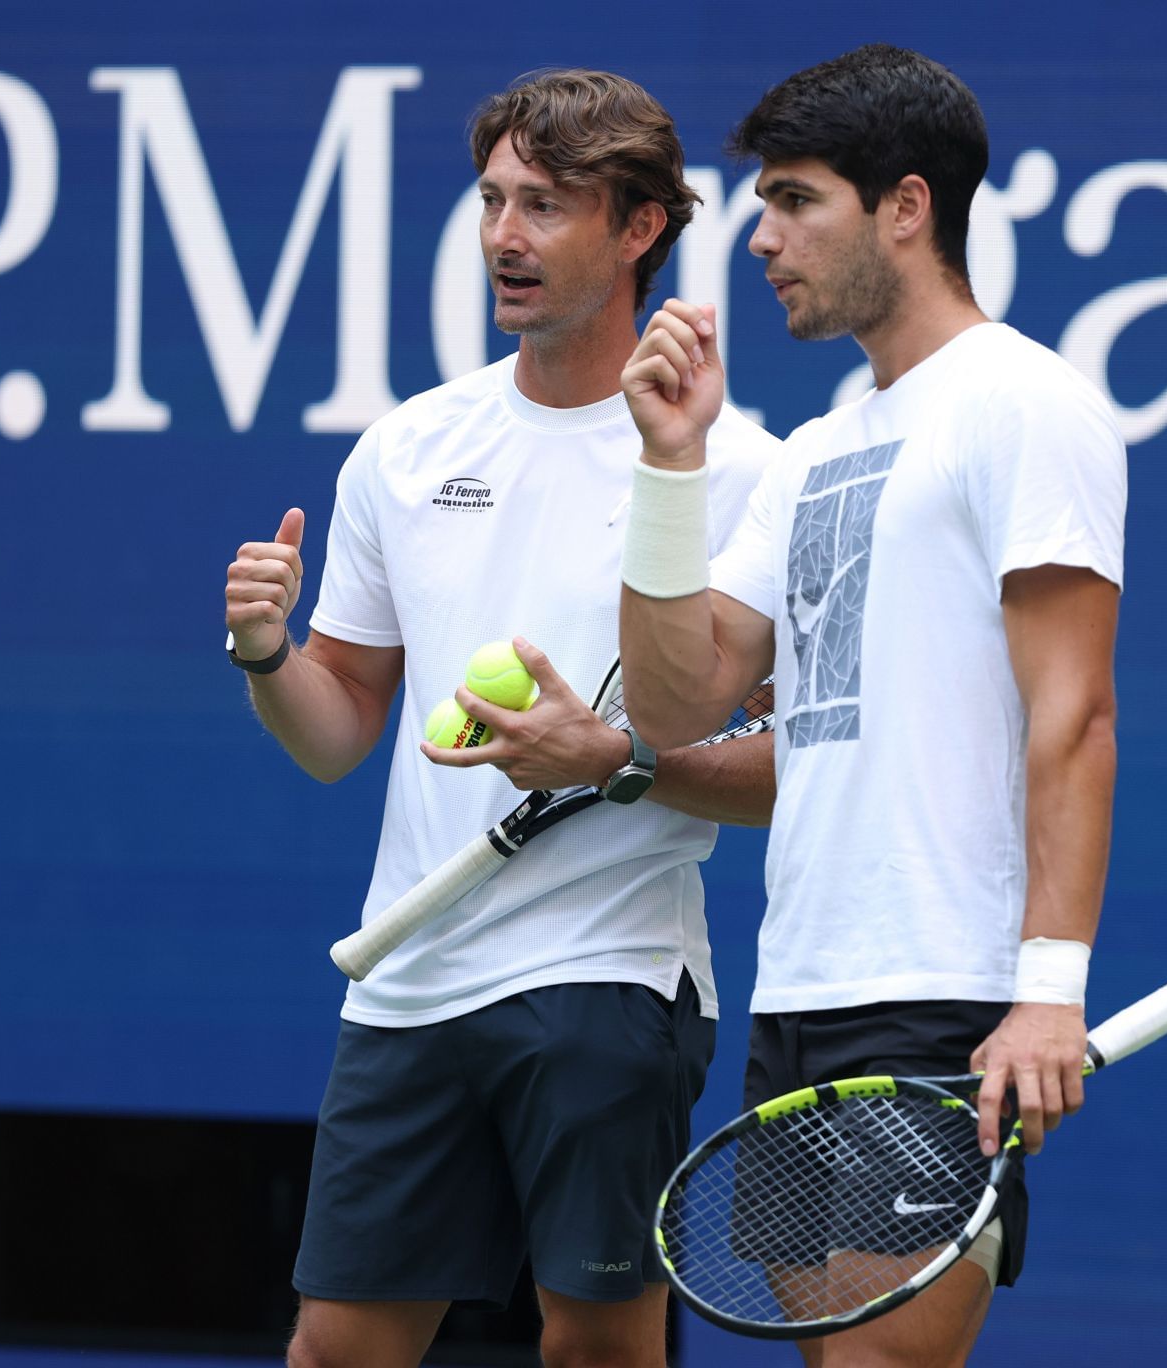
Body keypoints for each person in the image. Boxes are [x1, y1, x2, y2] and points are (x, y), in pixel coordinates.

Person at [222, 69, 778, 1368]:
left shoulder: (739, 468)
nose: (505, 237)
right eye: (492, 201)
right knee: (336, 1351)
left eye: (547, 205)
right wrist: (266, 657)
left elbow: (796, 767)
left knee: (594, 1349)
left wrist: (624, 762)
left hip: (607, 972)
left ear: (641, 228)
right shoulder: (408, 450)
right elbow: (337, 729)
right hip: (410, 977)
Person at [615, 44, 1126, 1368]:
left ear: (906, 205)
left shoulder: (1025, 404)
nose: (766, 241)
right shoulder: (820, 448)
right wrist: (671, 473)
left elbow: (1074, 712)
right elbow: (679, 696)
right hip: (802, 990)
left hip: (946, 997)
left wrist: (1047, 992)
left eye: (796, 202)